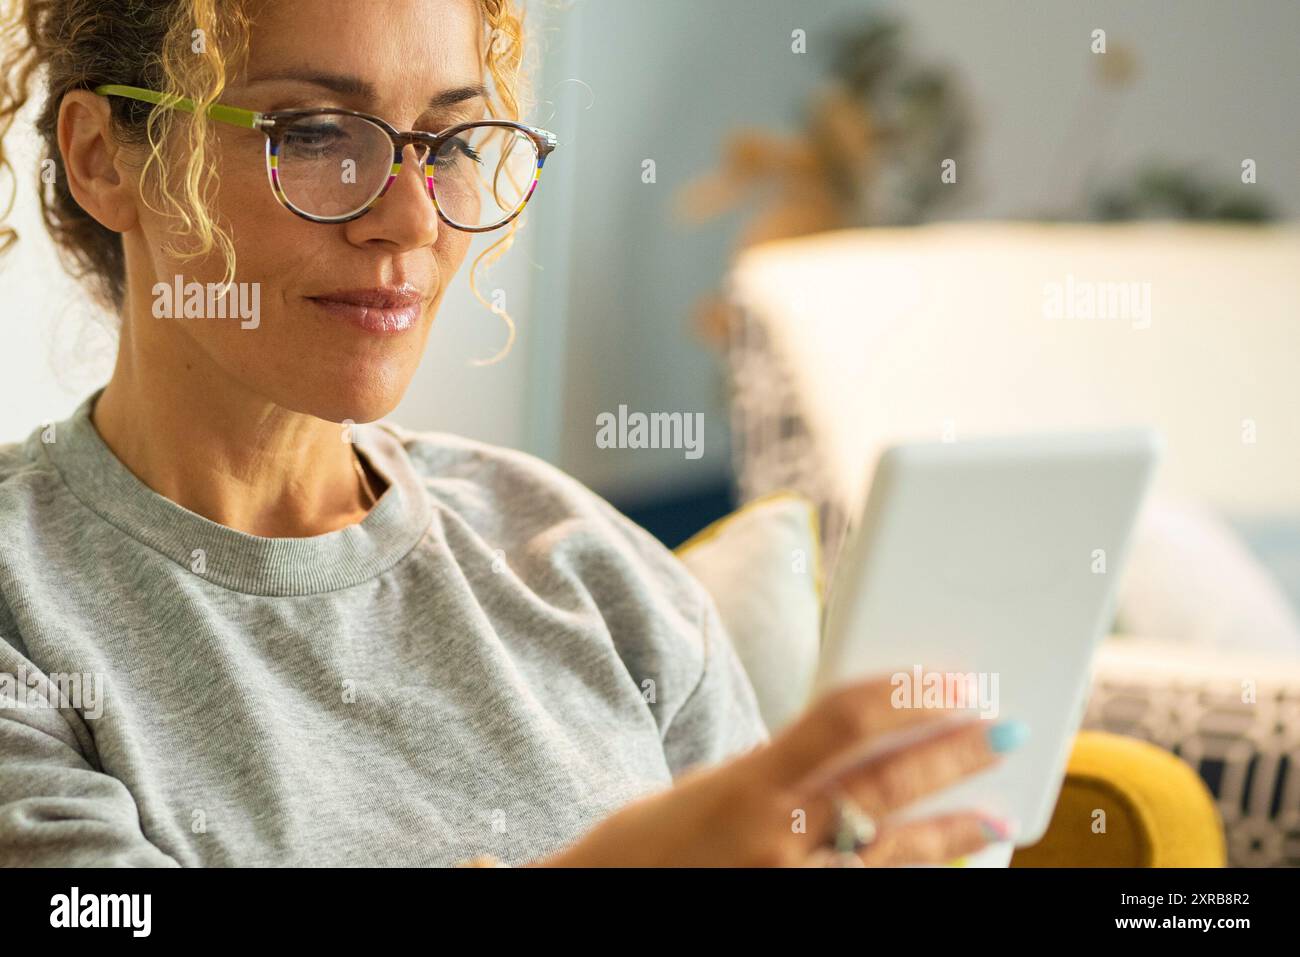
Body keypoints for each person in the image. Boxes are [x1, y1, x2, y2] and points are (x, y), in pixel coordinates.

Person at [0, 0, 1021, 867]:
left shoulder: (580, 563)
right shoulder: (26, 605)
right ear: (103, 160)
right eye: (310, 133)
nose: (409, 220)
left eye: (447, 144)